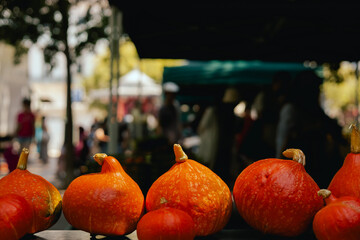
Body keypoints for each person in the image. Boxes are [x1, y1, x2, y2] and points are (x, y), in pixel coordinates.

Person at [276, 70, 348, 188]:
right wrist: (278, 165)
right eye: (315, 88)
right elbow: (282, 138)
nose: (318, 91)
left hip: (318, 168)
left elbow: (335, 131)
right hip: (298, 169)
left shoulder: (317, 112)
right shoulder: (292, 110)